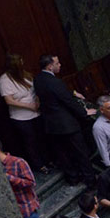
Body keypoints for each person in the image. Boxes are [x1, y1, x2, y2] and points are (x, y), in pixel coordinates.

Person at [34, 54, 97, 184]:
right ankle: (90, 180)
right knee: (81, 153)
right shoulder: (55, 82)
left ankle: (73, 178)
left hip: (51, 125)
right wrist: (84, 112)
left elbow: (55, 95)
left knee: (63, 155)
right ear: (50, 66)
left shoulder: (38, 79)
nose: (60, 65)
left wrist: (72, 92)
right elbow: (68, 101)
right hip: (66, 125)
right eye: (57, 63)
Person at [0, 53, 45, 169]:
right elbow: (9, 101)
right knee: (30, 142)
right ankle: (38, 165)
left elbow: (34, 90)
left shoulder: (25, 75)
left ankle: (47, 160)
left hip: (36, 113)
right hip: (21, 118)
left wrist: (37, 101)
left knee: (41, 138)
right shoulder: (5, 80)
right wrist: (28, 106)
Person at [0, 140, 43, 218]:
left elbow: (31, 183)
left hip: (26, 208)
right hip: (13, 210)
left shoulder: (18, 162)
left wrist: (9, 178)